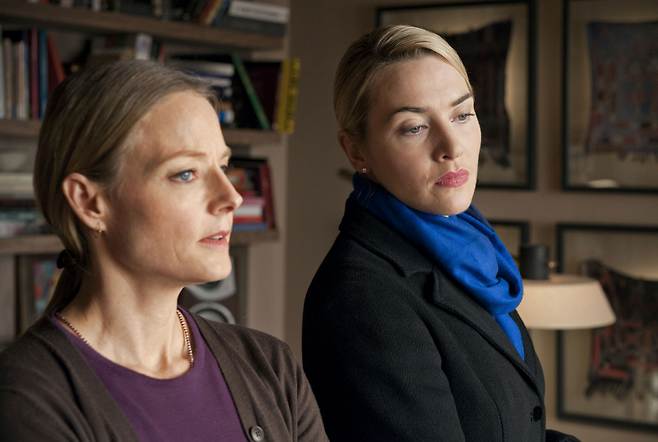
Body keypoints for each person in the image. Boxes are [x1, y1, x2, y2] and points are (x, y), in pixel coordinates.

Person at [0, 60, 327, 442]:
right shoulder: (27, 399)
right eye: (186, 173)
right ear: (89, 202)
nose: (232, 197)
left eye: (224, 166)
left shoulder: (270, 366)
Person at [302, 25, 580, 442]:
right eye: (414, 127)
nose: (452, 146)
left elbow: (519, 426)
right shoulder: (360, 298)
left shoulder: (470, 252)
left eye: (462, 115)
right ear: (356, 151)